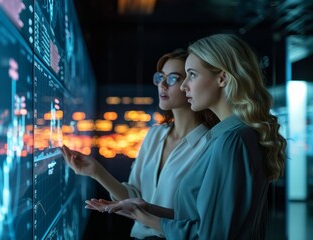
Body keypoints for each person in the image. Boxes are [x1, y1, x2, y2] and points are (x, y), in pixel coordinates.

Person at [85, 34, 287, 239]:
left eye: (191, 75)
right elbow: (204, 219)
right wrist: (146, 208)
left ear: (222, 78)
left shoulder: (231, 140)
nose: (183, 86)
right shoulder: (229, 136)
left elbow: (213, 234)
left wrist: (146, 218)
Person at [61, 49, 219, 239]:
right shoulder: (154, 135)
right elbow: (133, 195)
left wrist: (143, 212)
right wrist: (96, 172)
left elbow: (203, 219)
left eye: (172, 78)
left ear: (189, 84)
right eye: (160, 77)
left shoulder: (210, 145)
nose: (161, 84)